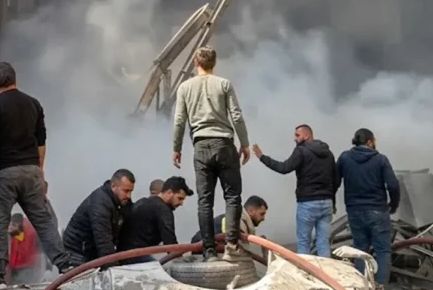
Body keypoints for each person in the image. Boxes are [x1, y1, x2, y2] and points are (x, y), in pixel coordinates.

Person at [0, 61, 71, 289]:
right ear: (15, 79)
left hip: (3, 175)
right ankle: (65, 266)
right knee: (44, 222)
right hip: (31, 172)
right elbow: (41, 143)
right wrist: (40, 172)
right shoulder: (33, 104)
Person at [171, 46, 250, 262]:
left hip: (201, 146)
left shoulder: (184, 87)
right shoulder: (224, 84)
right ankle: (232, 246)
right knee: (232, 197)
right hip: (224, 144)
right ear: (214, 63)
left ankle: (209, 251)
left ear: (196, 63)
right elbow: (236, 116)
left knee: (205, 202)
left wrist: (177, 148)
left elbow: (179, 121)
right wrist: (245, 144)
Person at [252, 124, 339, 257]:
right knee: (323, 243)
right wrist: (331, 199)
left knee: (304, 243)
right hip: (326, 203)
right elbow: (336, 178)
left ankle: (304, 270)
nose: (294, 138)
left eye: (297, 135)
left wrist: (262, 157)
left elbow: (284, 168)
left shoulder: (301, 151)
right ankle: (325, 270)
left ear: (306, 135)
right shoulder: (328, 153)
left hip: (308, 202)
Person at [336, 128, 400, 285]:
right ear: (369, 142)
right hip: (378, 211)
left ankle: (362, 286)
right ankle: (380, 287)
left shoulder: (344, 158)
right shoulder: (381, 160)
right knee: (382, 250)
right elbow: (393, 185)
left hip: (354, 211)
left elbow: (334, 182)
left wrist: (331, 201)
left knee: (359, 250)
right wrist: (393, 205)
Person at [62, 169, 136, 267]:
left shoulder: (123, 202)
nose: (129, 195)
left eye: (131, 191)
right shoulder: (100, 204)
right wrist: (115, 269)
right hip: (76, 252)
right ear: (113, 186)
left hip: (92, 250)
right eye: (125, 191)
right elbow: (103, 241)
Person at [118, 176, 193, 262]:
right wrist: (181, 263)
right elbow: (171, 244)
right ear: (169, 192)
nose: (181, 203)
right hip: (134, 255)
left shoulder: (142, 202)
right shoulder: (163, 210)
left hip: (121, 253)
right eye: (179, 198)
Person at [7, 214, 44, 285]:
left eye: (13, 225)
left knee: (22, 285)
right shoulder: (28, 226)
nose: (9, 227)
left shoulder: (28, 230)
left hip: (27, 267)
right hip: (18, 266)